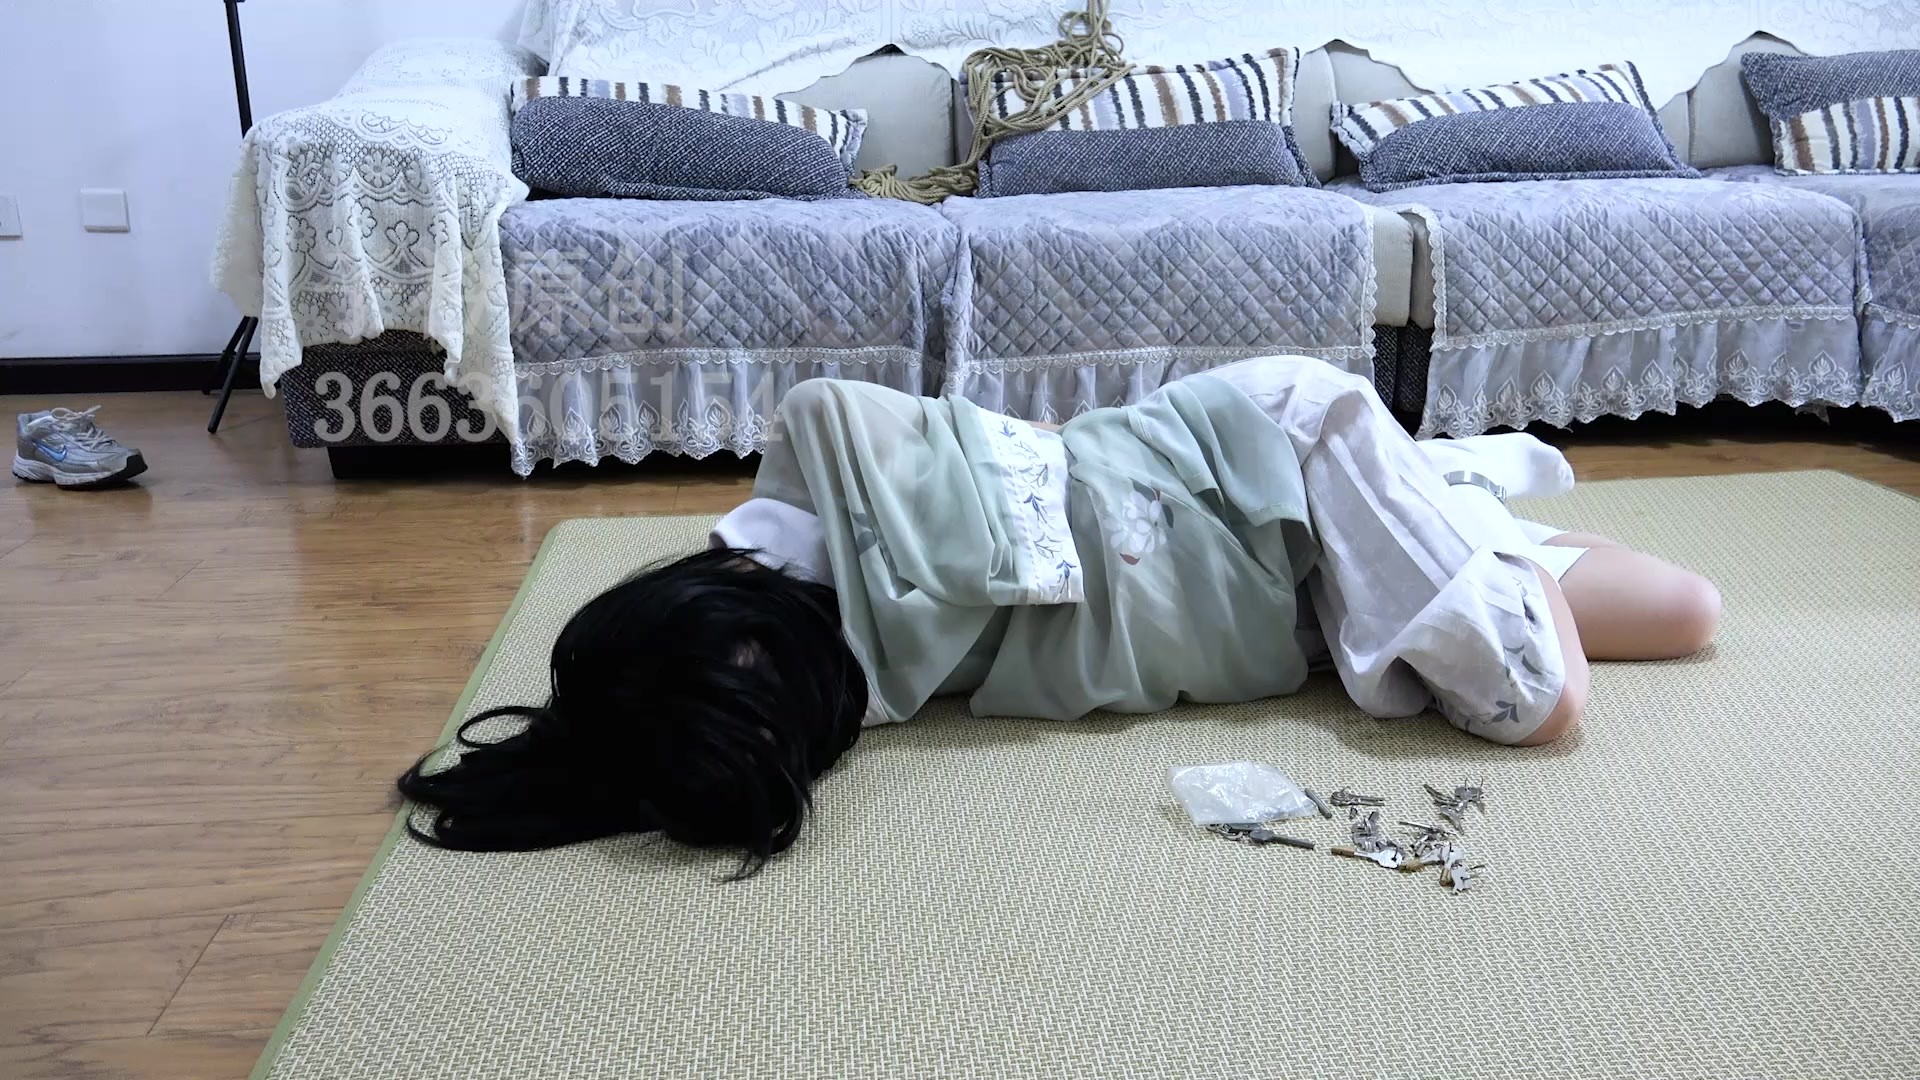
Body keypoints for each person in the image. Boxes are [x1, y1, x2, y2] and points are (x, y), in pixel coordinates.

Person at [398, 356, 1719, 872]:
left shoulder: (811, 505)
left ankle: (1434, 505)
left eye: (740, 663)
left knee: (1537, 706)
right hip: (1296, 607)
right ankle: (1458, 505)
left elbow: (829, 419)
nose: (767, 678)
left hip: (1276, 452)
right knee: (1686, 611)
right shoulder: (816, 697)